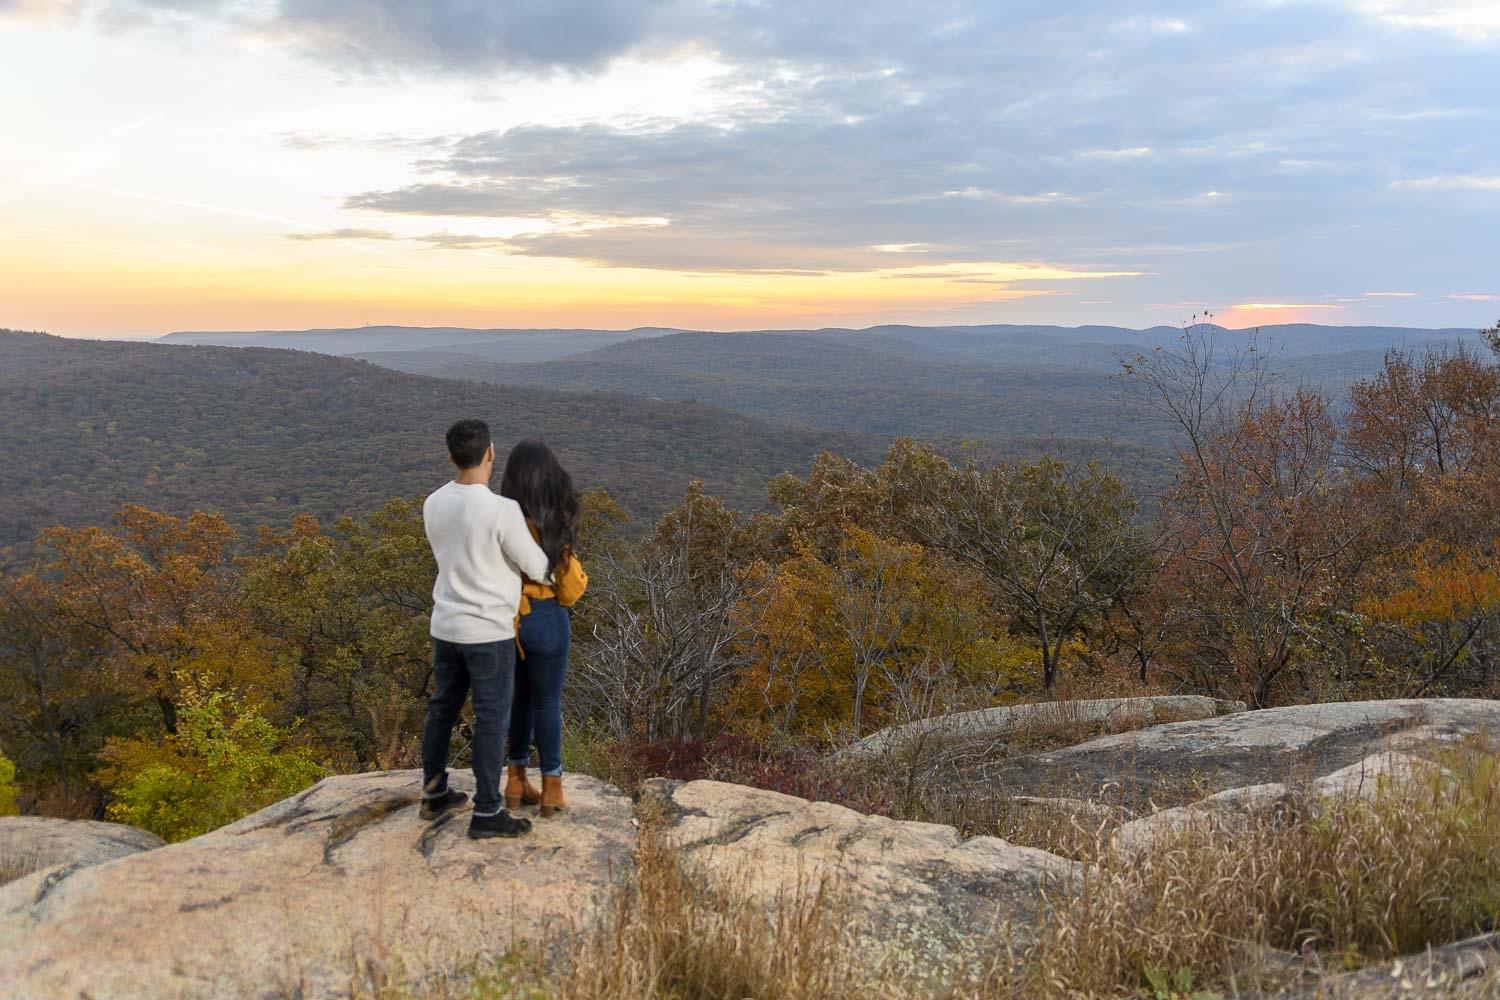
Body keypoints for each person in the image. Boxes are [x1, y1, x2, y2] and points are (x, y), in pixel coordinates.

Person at [419, 419, 553, 840]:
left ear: (451, 456)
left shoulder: (433, 503)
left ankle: (434, 793)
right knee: (492, 718)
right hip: (489, 631)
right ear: (490, 453)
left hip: (446, 625)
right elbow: (536, 566)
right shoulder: (501, 510)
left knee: (442, 708)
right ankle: (487, 811)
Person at [500, 440, 588, 818]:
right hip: (547, 615)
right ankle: (552, 788)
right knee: (547, 702)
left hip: (509, 620)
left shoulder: (501, 520)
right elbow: (569, 591)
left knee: (519, 699)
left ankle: (515, 781)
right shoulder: (553, 523)